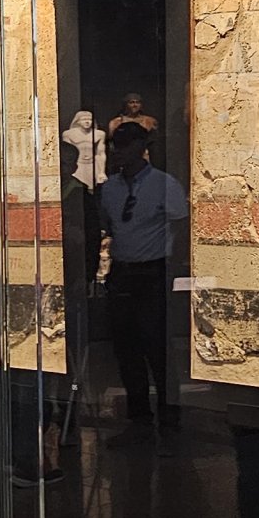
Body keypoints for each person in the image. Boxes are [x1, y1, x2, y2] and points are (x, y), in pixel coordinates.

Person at [98, 121, 185, 430]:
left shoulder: (164, 184)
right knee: (126, 349)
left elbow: (181, 227)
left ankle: (170, 417)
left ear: (139, 147)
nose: (117, 151)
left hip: (152, 272)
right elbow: (110, 228)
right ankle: (139, 420)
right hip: (122, 272)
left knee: (157, 348)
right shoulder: (110, 188)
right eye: (115, 145)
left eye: (124, 145)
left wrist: (175, 267)